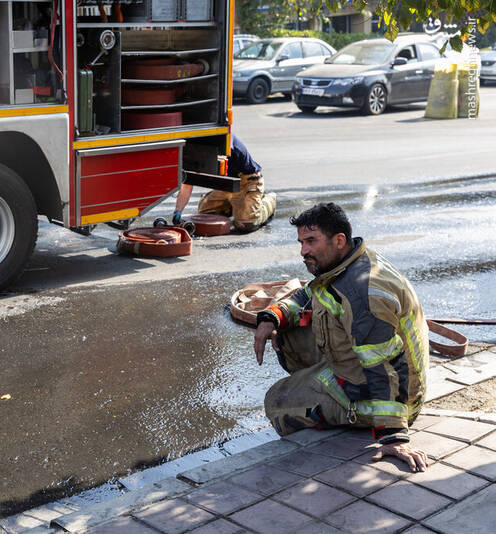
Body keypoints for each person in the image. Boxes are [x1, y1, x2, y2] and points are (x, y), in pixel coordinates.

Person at [254, 203, 430, 472]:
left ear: (339, 240)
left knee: (276, 401)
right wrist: (273, 316)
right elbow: (311, 294)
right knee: (289, 333)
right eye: (301, 242)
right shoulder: (348, 262)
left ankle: (334, 410)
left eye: (311, 241)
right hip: (362, 368)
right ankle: (320, 390)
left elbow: (388, 368)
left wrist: (393, 436)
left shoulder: (364, 293)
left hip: (394, 399)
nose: (304, 251)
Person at [172, 133, 276, 233]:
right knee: (206, 215)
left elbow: (223, 155)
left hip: (247, 181)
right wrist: (178, 211)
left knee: (245, 225)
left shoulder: (223, 139)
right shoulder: (192, 148)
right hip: (226, 184)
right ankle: (234, 205)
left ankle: (269, 201)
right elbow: (187, 184)